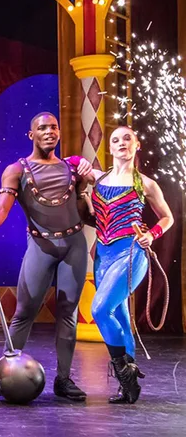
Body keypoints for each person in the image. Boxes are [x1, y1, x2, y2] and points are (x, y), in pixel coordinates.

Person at [0, 112, 94, 401]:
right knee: (24, 312)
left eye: (53, 127)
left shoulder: (72, 167)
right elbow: (2, 207)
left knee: (68, 313)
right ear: (31, 135)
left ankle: (63, 380)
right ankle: (1, 374)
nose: (49, 132)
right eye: (42, 128)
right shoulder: (17, 170)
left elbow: (91, 207)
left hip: (74, 245)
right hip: (41, 247)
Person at [83, 126, 173, 403]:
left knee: (99, 308)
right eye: (115, 140)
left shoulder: (145, 183)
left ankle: (125, 374)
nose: (121, 143)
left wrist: (151, 234)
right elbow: (89, 211)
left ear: (137, 146)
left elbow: (167, 217)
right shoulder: (97, 179)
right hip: (102, 257)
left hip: (131, 254)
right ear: (109, 148)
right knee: (120, 317)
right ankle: (129, 386)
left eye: (127, 139)